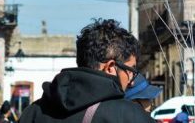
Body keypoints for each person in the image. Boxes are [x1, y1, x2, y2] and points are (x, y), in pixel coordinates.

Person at [18, 19, 154, 123]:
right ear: (111, 67)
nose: (131, 81)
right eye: (130, 70)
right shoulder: (127, 115)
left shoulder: (32, 112)